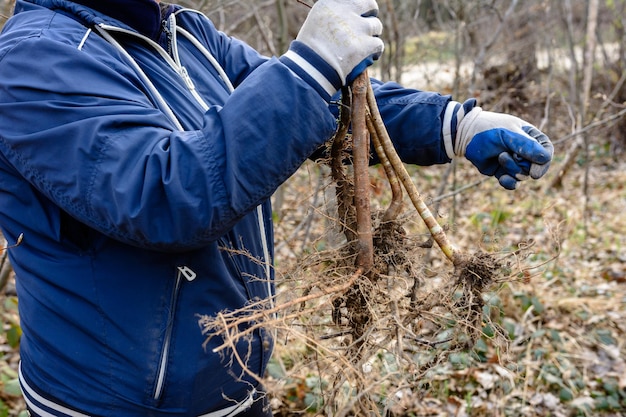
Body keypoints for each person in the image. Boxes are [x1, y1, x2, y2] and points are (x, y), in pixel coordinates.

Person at [0, 0, 553, 416]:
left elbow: (307, 101)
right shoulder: (33, 59)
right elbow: (164, 194)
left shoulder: (183, 34)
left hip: (233, 380)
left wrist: (453, 125)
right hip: (115, 404)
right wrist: (309, 66)